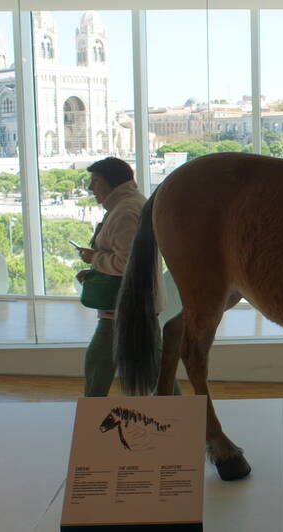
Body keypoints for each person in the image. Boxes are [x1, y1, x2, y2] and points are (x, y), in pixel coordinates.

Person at [76, 157, 178, 397]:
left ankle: (92, 412)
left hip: (127, 307)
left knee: (98, 363)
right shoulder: (130, 206)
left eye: (95, 181)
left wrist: (94, 259)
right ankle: (179, 409)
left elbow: (126, 263)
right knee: (152, 367)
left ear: (111, 182)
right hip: (134, 305)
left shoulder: (125, 212)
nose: (90, 187)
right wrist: (96, 270)